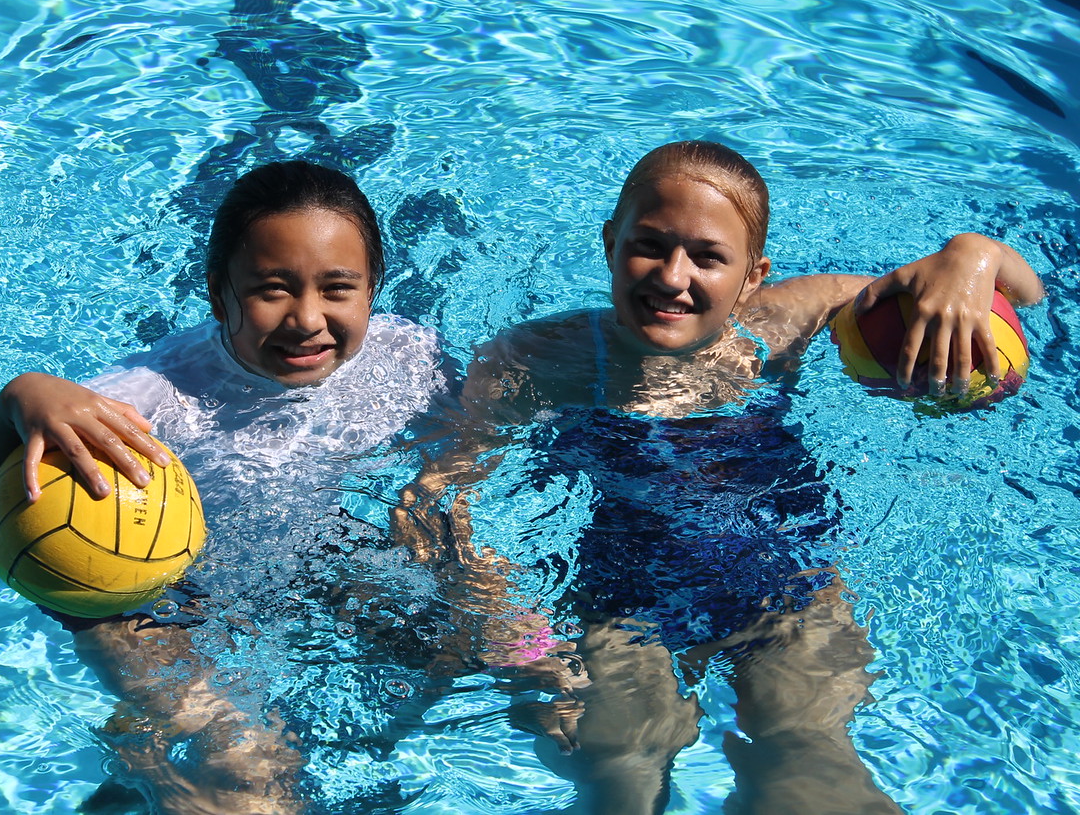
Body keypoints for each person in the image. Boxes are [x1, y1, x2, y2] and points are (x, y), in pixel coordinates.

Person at [393, 140, 1045, 814]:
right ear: (611, 243)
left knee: (809, 758)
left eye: (708, 257)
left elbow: (1024, 289)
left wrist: (970, 255)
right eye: (649, 246)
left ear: (752, 276)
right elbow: (435, 499)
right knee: (619, 763)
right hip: (616, 609)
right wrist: (519, 639)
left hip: (788, 590)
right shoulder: (537, 360)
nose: (673, 276)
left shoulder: (783, 326)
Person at [0, 160, 452, 814]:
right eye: (272, 290)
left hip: (307, 547)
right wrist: (17, 401)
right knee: (251, 770)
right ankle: (149, 764)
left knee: (496, 643)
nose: (307, 318)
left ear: (374, 286)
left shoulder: (406, 359)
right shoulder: (142, 401)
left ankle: (141, 757)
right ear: (218, 293)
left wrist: (439, 489)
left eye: (338, 288)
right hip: (142, 599)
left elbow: (481, 432)